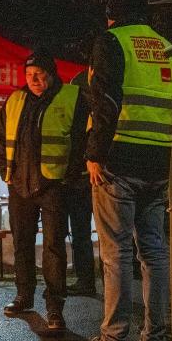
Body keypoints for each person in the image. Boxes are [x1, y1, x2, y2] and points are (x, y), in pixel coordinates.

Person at [73, 0, 172, 341]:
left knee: (116, 252)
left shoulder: (112, 42)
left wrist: (94, 154)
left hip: (119, 162)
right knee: (154, 252)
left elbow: (104, 102)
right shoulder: (169, 48)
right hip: (160, 164)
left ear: (111, 13)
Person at [0, 49, 87, 330]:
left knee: (53, 247)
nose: (33, 79)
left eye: (39, 74)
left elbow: (82, 140)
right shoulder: (14, 100)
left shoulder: (73, 98)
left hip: (54, 185)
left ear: (52, 73)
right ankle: (24, 296)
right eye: (29, 74)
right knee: (22, 243)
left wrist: (69, 176)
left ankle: (54, 308)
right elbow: (1, 138)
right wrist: (5, 172)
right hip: (19, 185)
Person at [65, 71, 99, 299]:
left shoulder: (76, 100)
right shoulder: (99, 104)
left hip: (80, 175)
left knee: (81, 231)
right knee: (85, 232)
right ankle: (87, 280)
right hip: (90, 174)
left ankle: (86, 280)